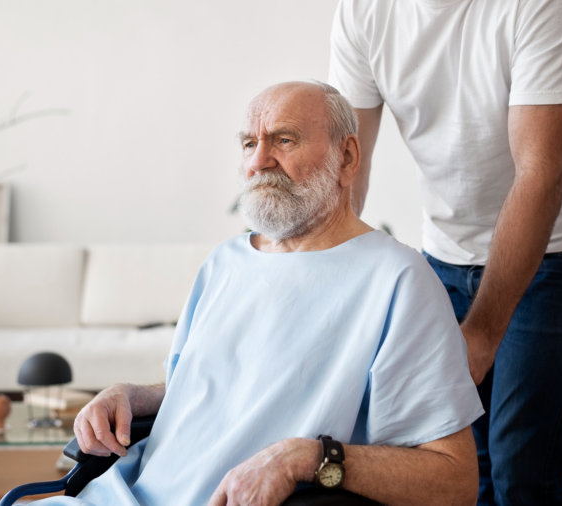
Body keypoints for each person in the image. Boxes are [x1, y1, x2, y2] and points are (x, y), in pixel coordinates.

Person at [327, 0, 562, 504]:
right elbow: (347, 168)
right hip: (443, 251)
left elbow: (539, 172)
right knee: (454, 468)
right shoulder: (366, 3)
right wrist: (331, 292)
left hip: (552, 250)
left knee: (521, 470)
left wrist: (481, 332)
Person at [45, 81, 484, 506]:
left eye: (284, 140)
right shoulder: (224, 263)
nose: (259, 161)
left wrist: (311, 458)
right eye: (248, 144)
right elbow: (222, 389)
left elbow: (453, 481)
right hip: (116, 493)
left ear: (347, 156)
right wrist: (134, 395)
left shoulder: (397, 280)